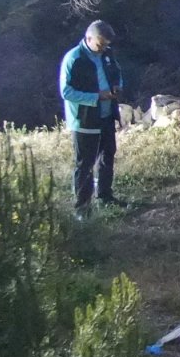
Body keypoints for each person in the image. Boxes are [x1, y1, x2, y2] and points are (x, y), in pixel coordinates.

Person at [59, 19, 127, 216]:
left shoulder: (107, 54)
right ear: (88, 38)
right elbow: (66, 92)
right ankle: (82, 207)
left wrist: (117, 86)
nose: (103, 48)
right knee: (85, 164)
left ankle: (105, 196)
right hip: (85, 120)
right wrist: (96, 97)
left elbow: (117, 73)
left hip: (106, 116)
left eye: (106, 45)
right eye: (100, 44)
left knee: (108, 157)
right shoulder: (74, 58)